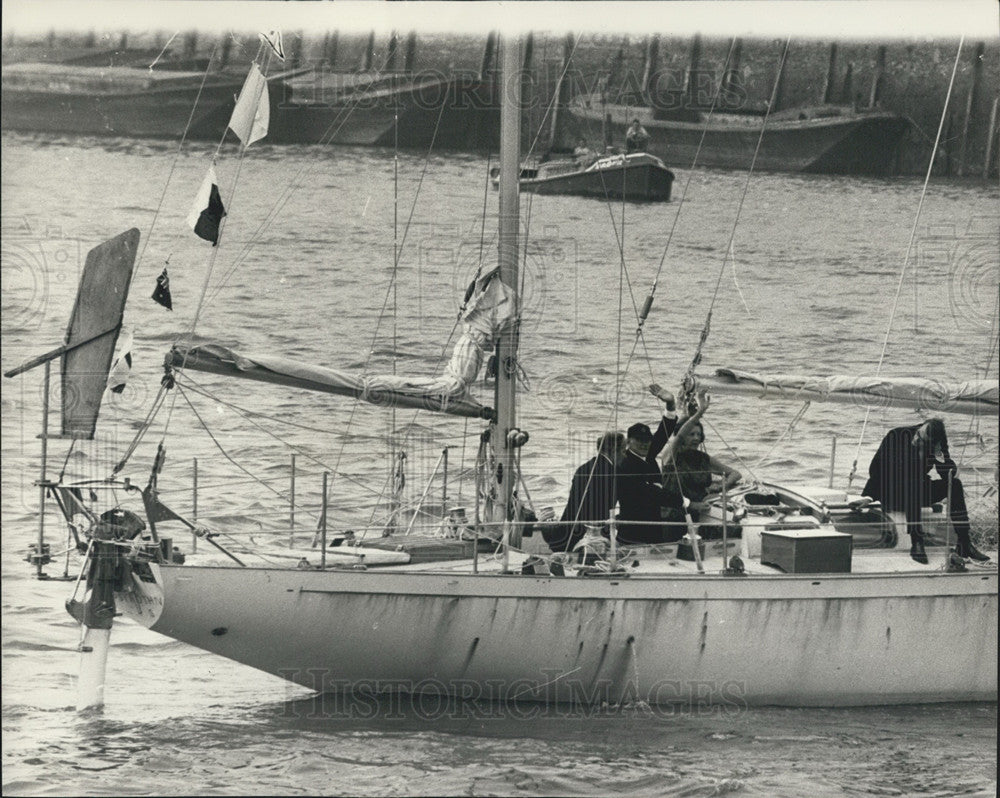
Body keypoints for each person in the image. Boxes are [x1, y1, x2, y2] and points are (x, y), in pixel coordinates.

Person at [862, 418, 989, 564]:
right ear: (921, 427)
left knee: (955, 484)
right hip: (892, 492)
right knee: (913, 482)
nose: (916, 438)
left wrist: (939, 455)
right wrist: (869, 496)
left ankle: (964, 543)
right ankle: (917, 542)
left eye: (922, 440)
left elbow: (948, 474)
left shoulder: (937, 443)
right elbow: (875, 470)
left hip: (916, 491)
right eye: (918, 434)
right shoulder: (895, 435)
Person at [659, 391, 743, 524]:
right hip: (672, 516)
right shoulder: (671, 456)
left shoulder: (703, 459)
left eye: (699, 435)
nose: (696, 438)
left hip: (700, 513)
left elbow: (735, 474)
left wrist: (721, 486)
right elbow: (679, 435)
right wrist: (699, 413)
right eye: (691, 434)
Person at [615, 388, 684, 544]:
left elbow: (664, 430)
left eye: (647, 440)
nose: (644, 444)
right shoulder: (625, 464)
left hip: (653, 525)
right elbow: (653, 494)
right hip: (633, 530)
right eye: (639, 440)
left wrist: (670, 403)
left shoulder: (648, 453)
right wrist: (687, 503)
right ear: (629, 441)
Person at [544, 431, 625, 553]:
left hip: (565, 535)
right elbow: (600, 511)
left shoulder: (585, 467)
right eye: (623, 451)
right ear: (614, 450)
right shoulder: (611, 473)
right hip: (585, 539)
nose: (625, 456)